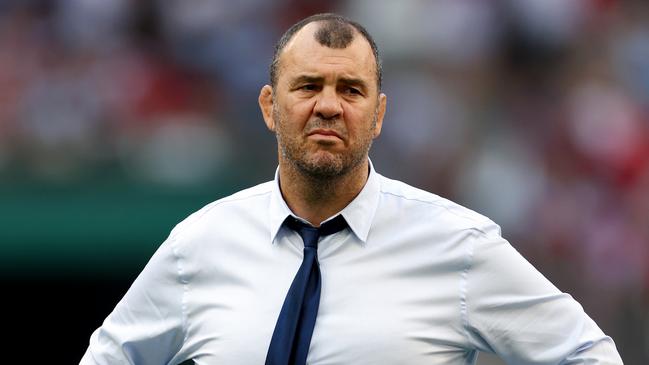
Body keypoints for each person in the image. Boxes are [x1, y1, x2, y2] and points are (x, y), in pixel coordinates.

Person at [81, 13, 623, 365]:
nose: (328, 105)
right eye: (309, 86)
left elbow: (588, 355)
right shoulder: (198, 244)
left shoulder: (459, 246)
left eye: (351, 89)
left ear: (379, 114)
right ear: (270, 106)